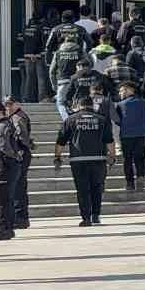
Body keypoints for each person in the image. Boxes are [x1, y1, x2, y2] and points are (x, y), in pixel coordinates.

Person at [55, 92, 114, 227]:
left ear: (78, 105)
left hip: (78, 160)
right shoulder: (102, 119)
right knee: (96, 188)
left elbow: (61, 141)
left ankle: (86, 218)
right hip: (98, 159)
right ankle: (96, 215)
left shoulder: (70, 119)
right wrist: (112, 156)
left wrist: (57, 157)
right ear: (92, 105)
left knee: (82, 189)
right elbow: (109, 140)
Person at [0, 102, 26, 240]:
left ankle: (4, 228)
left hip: (3, 165)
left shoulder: (1, 126)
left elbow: (3, 147)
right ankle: (8, 227)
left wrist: (9, 158)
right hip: (8, 165)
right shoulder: (7, 123)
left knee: (1, 198)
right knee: (6, 198)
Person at [111, 82, 145, 192]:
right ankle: (140, 178)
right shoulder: (144, 102)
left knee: (127, 159)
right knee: (140, 158)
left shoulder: (120, 104)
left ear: (129, 90)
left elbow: (117, 120)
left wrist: (125, 125)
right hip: (142, 134)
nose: (120, 93)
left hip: (127, 135)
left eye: (121, 91)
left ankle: (130, 183)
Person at [2, 98, 31, 229]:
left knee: (18, 186)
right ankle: (21, 217)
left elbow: (22, 136)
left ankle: (20, 217)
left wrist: (20, 149)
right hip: (21, 153)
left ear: (17, 104)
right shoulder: (16, 116)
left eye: (10, 104)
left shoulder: (17, 117)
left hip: (20, 153)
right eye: (6, 105)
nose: (7, 107)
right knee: (19, 186)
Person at [49, 33, 85, 121]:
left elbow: (52, 71)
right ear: (75, 42)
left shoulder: (58, 53)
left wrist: (54, 85)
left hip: (63, 81)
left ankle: (67, 121)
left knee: (60, 103)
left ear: (64, 42)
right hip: (78, 81)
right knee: (77, 101)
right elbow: (88, 64)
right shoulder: (80, 51)